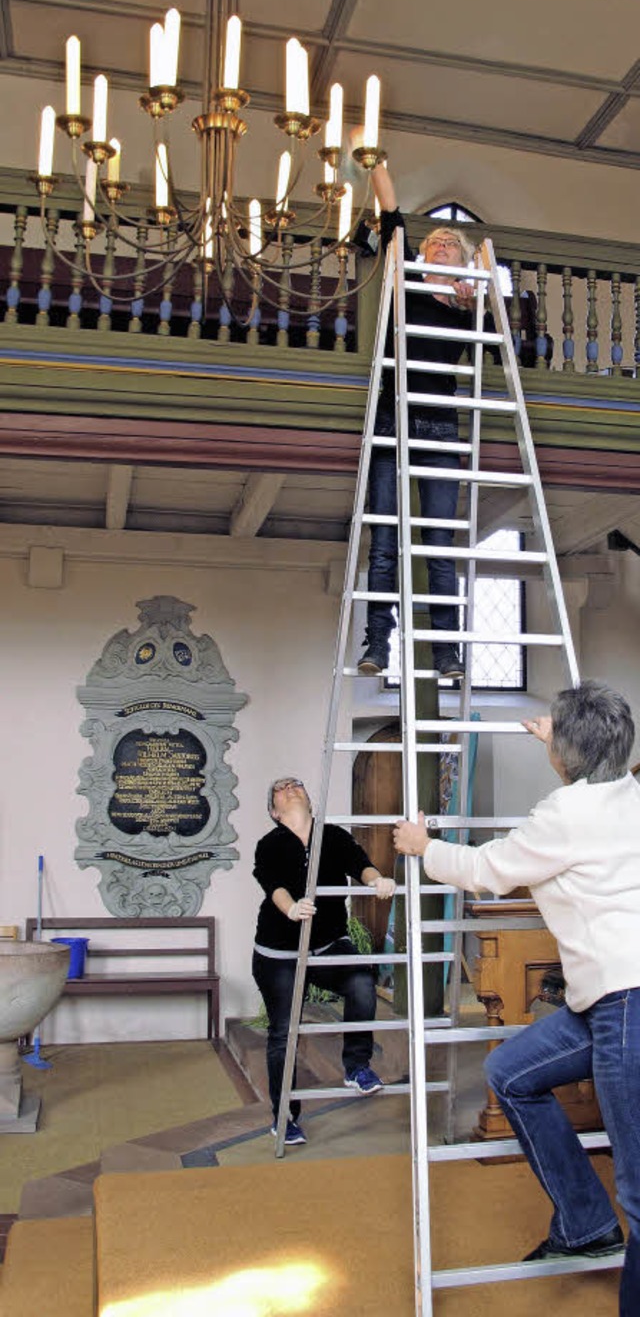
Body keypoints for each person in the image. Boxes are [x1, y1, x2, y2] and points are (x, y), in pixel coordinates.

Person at [393, 680, 640, 1316]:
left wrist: (425, 850)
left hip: (627, 1005)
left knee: (639, 1192)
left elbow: (487, 868)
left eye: (555, 731)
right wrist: (558, 740)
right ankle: (586, 1224)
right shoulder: (627, 794)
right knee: (511, 1072)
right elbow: (583, 782)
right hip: (604, 1000)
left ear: (571, 752)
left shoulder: (563, 816)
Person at [357, 164, 495, 680]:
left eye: (449, 244)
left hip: (439, 424)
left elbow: (500, 327)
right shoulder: (405, 284)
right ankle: (377, 646)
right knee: (386, 543)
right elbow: (390, 216)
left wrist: (475, 298)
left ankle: (445, 653)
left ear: (460, 261)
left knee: (440, 546)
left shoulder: (468, 306)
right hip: (396, 419)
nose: (439, 245)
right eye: (433, 241)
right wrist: (374, 163)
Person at [253, 775, 395, 1146]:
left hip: (328, 943)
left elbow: (360, 864)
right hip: (278, 953)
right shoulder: (269, 845)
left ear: (309, 801)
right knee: (283, 1033)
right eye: (281, 788)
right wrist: (291, 909)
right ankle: (284, 1119)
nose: (291, 788)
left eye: (296, 784)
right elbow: (274, 886)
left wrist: (376, 880)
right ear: (274, 811)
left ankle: (357, 1066)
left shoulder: (333, 836)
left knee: (362, 981)